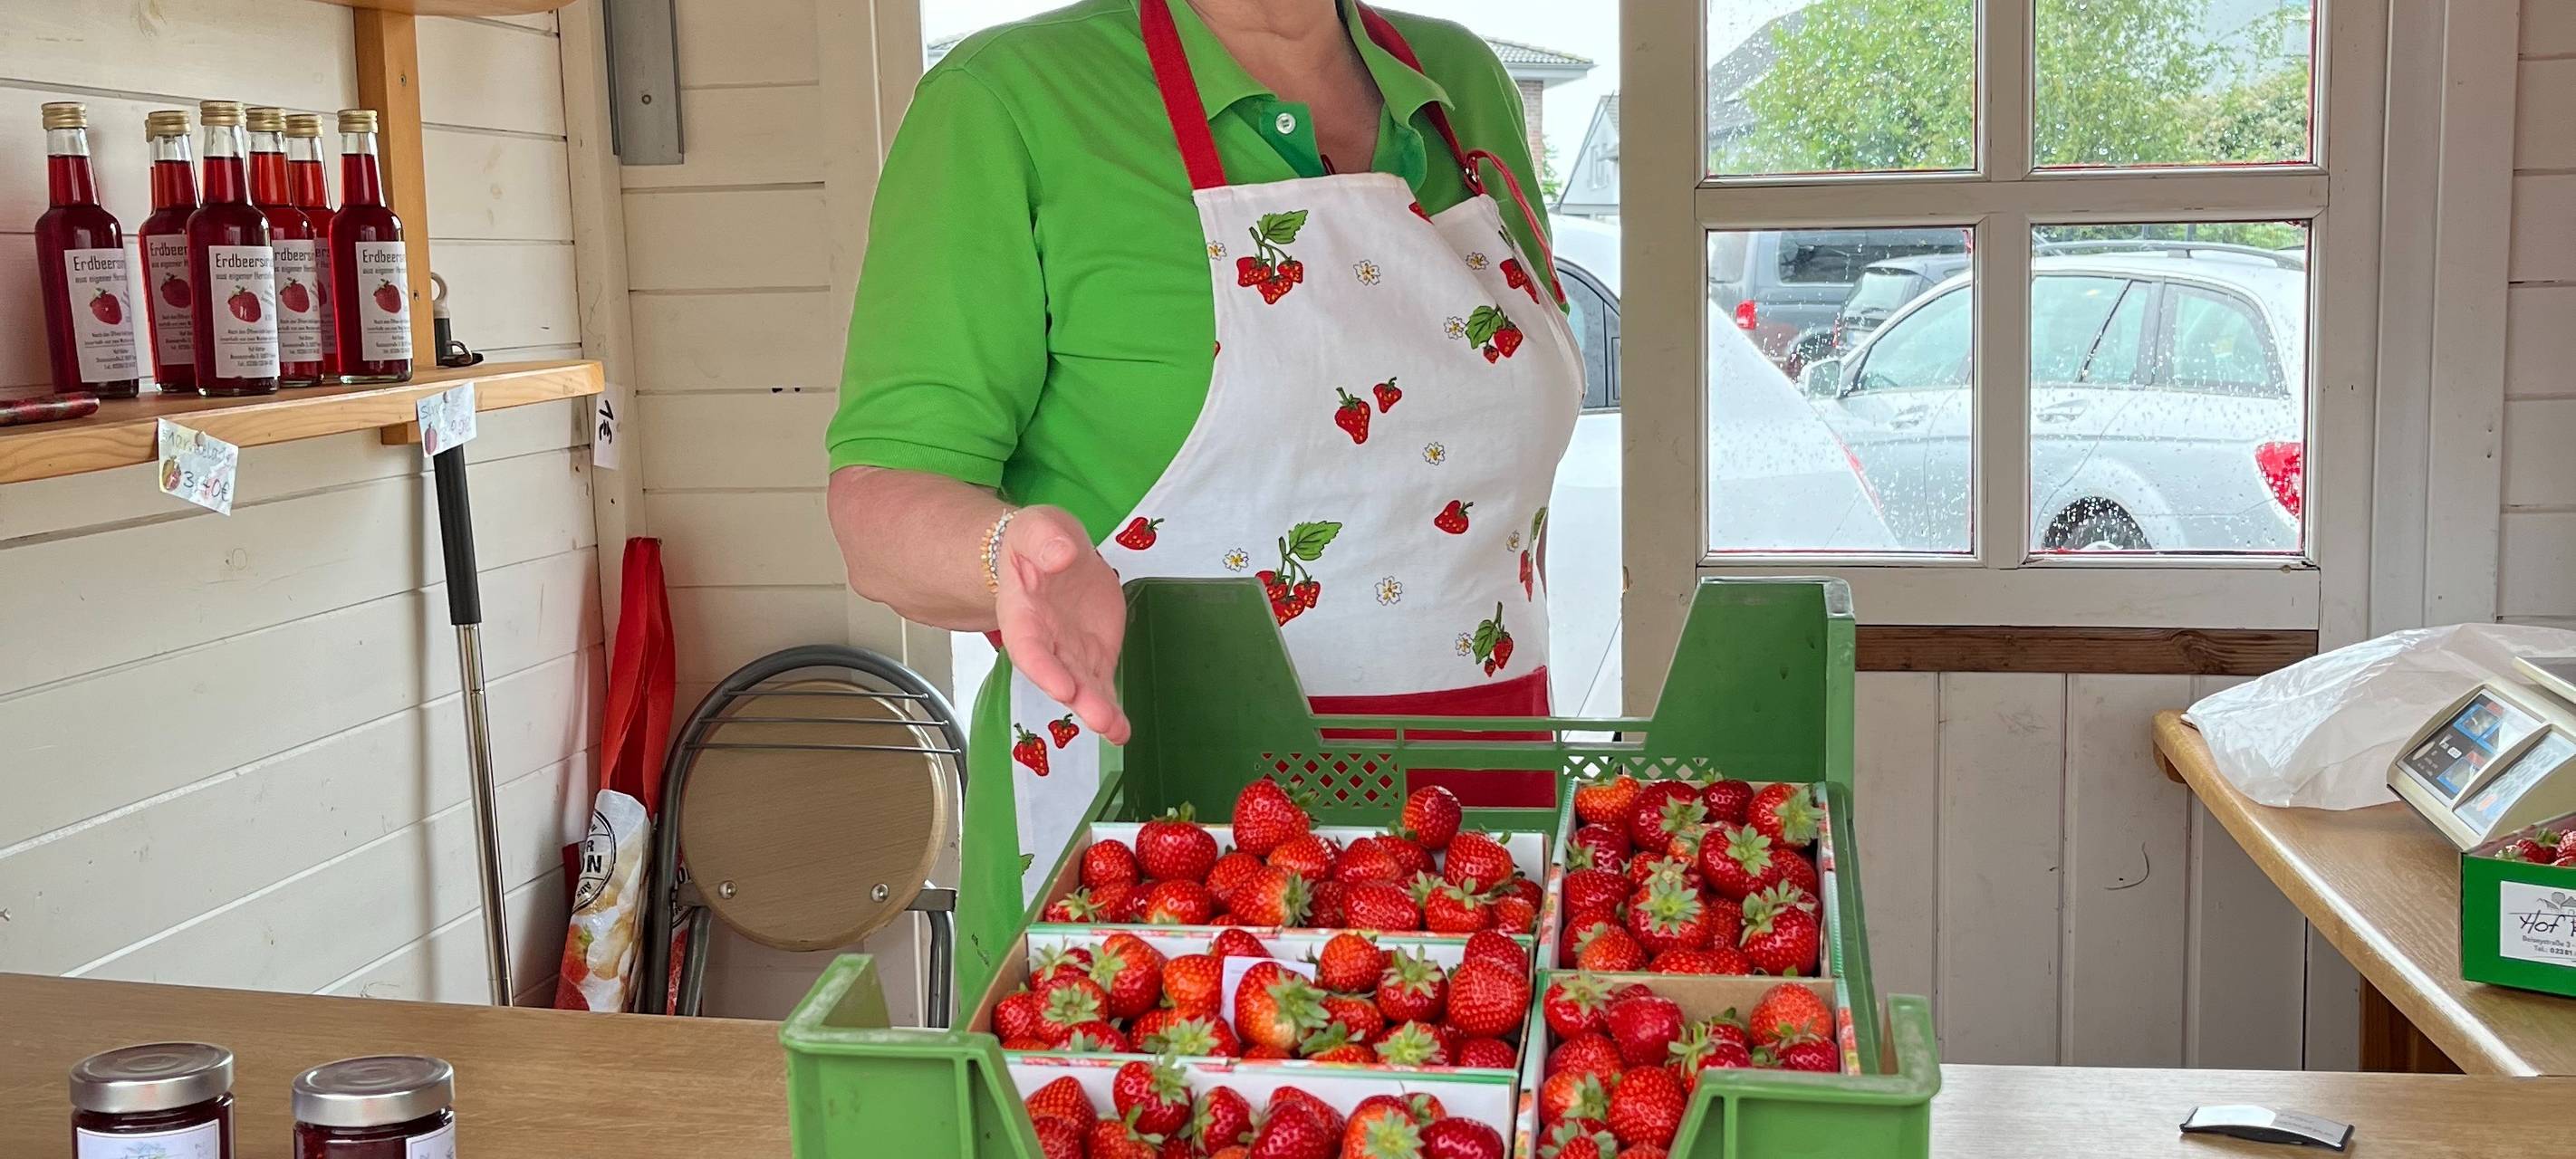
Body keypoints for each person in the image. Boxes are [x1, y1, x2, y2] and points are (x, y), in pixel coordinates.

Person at [826, 0, 1582, 934]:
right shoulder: (1006, 102)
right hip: (1163, 853)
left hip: (1484, 812)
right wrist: (1003, 549)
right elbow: (878, 503)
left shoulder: (1462, 85)